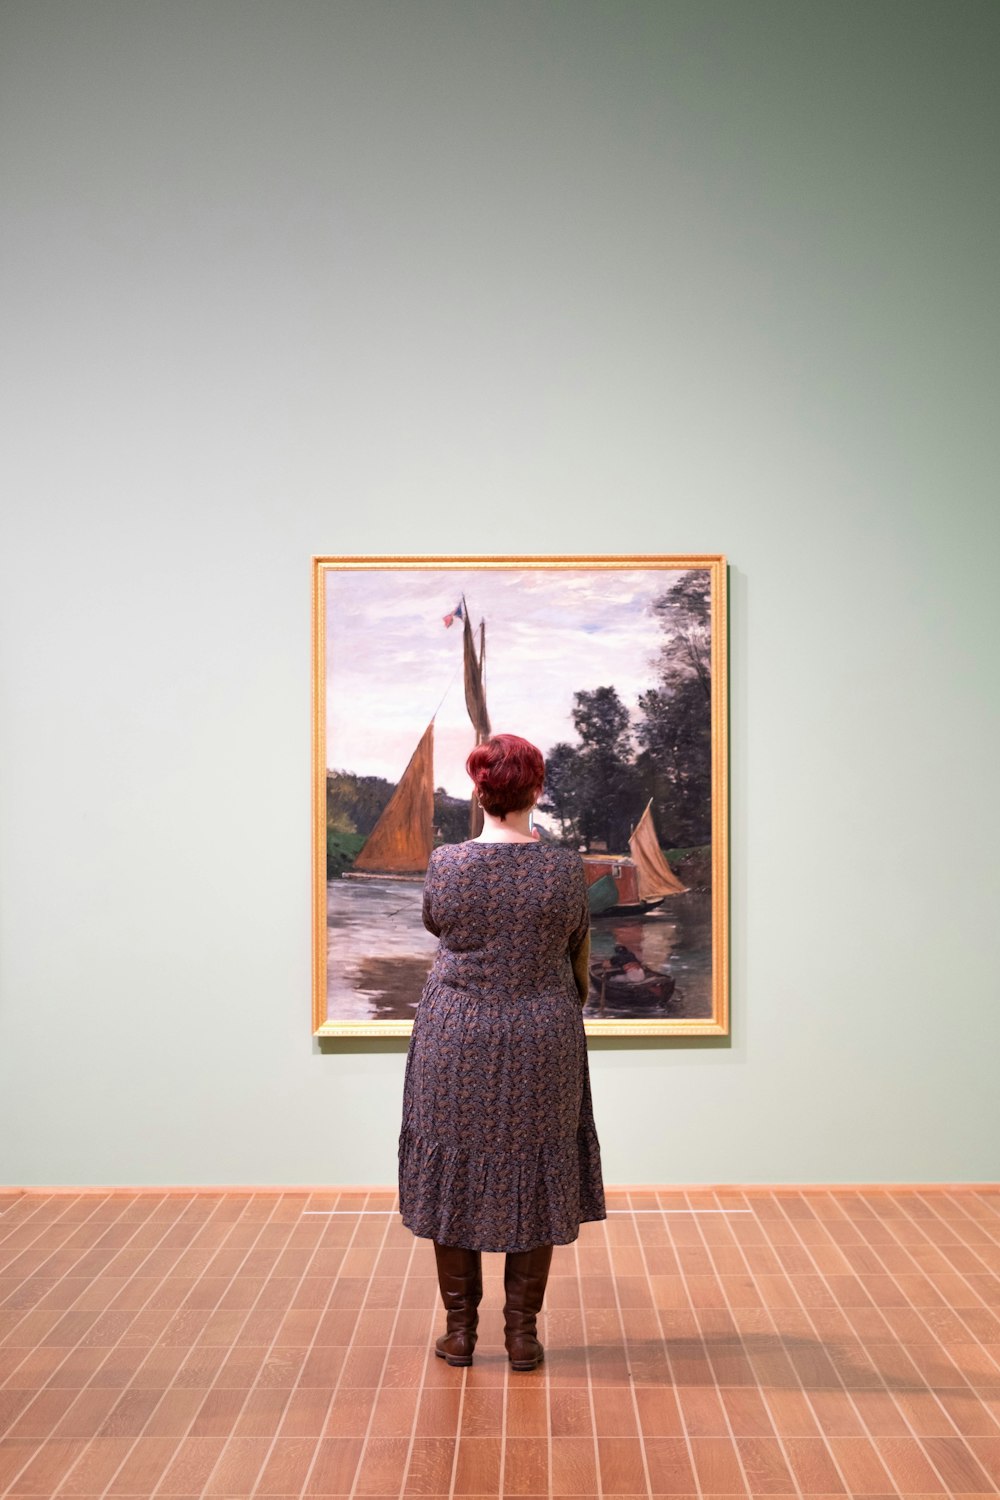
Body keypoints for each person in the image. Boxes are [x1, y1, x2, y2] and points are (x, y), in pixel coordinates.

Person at [398, 733, 606, 1370]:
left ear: (480, 791)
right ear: (535, 791)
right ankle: (523, 1336)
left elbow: (438, 924)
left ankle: (461, 1333)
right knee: (534, 1173)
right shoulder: (564, 868)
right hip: (542, 1035)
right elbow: (573, 935)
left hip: (456, 1033)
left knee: (453, 1174)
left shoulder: (450, 864)